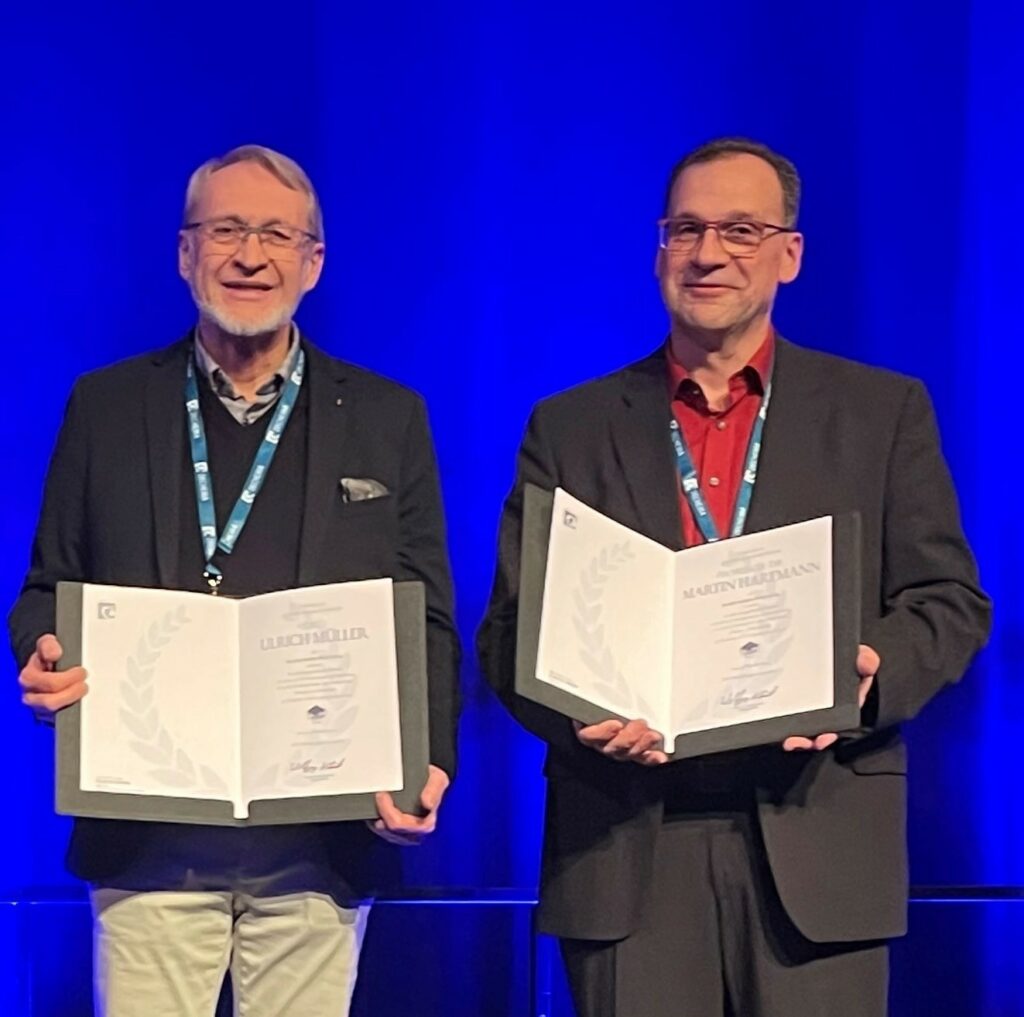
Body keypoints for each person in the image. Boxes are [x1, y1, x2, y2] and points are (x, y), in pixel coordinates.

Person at [477, 137, 991, 1017]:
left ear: (790, 253)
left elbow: (949, 602)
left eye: (741, 230)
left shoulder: (881, 411)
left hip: (817, 840)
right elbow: (510, 628)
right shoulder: (569, 426)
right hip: (627, 847)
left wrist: (867, 672)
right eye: (686, 229)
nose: (709, 253)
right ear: (659, 249)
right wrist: (577, 707)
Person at [10, 144, 460, 1017]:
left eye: (276, 233)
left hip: (320, 843)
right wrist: (42, 651)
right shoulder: (104, 407)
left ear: (313, 261)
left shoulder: (386, 416)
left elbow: (427, 615)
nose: (250, 255)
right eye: (226, 230)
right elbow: (46, 585)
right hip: (147, 841)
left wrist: (427, 759)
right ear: (184, 253)